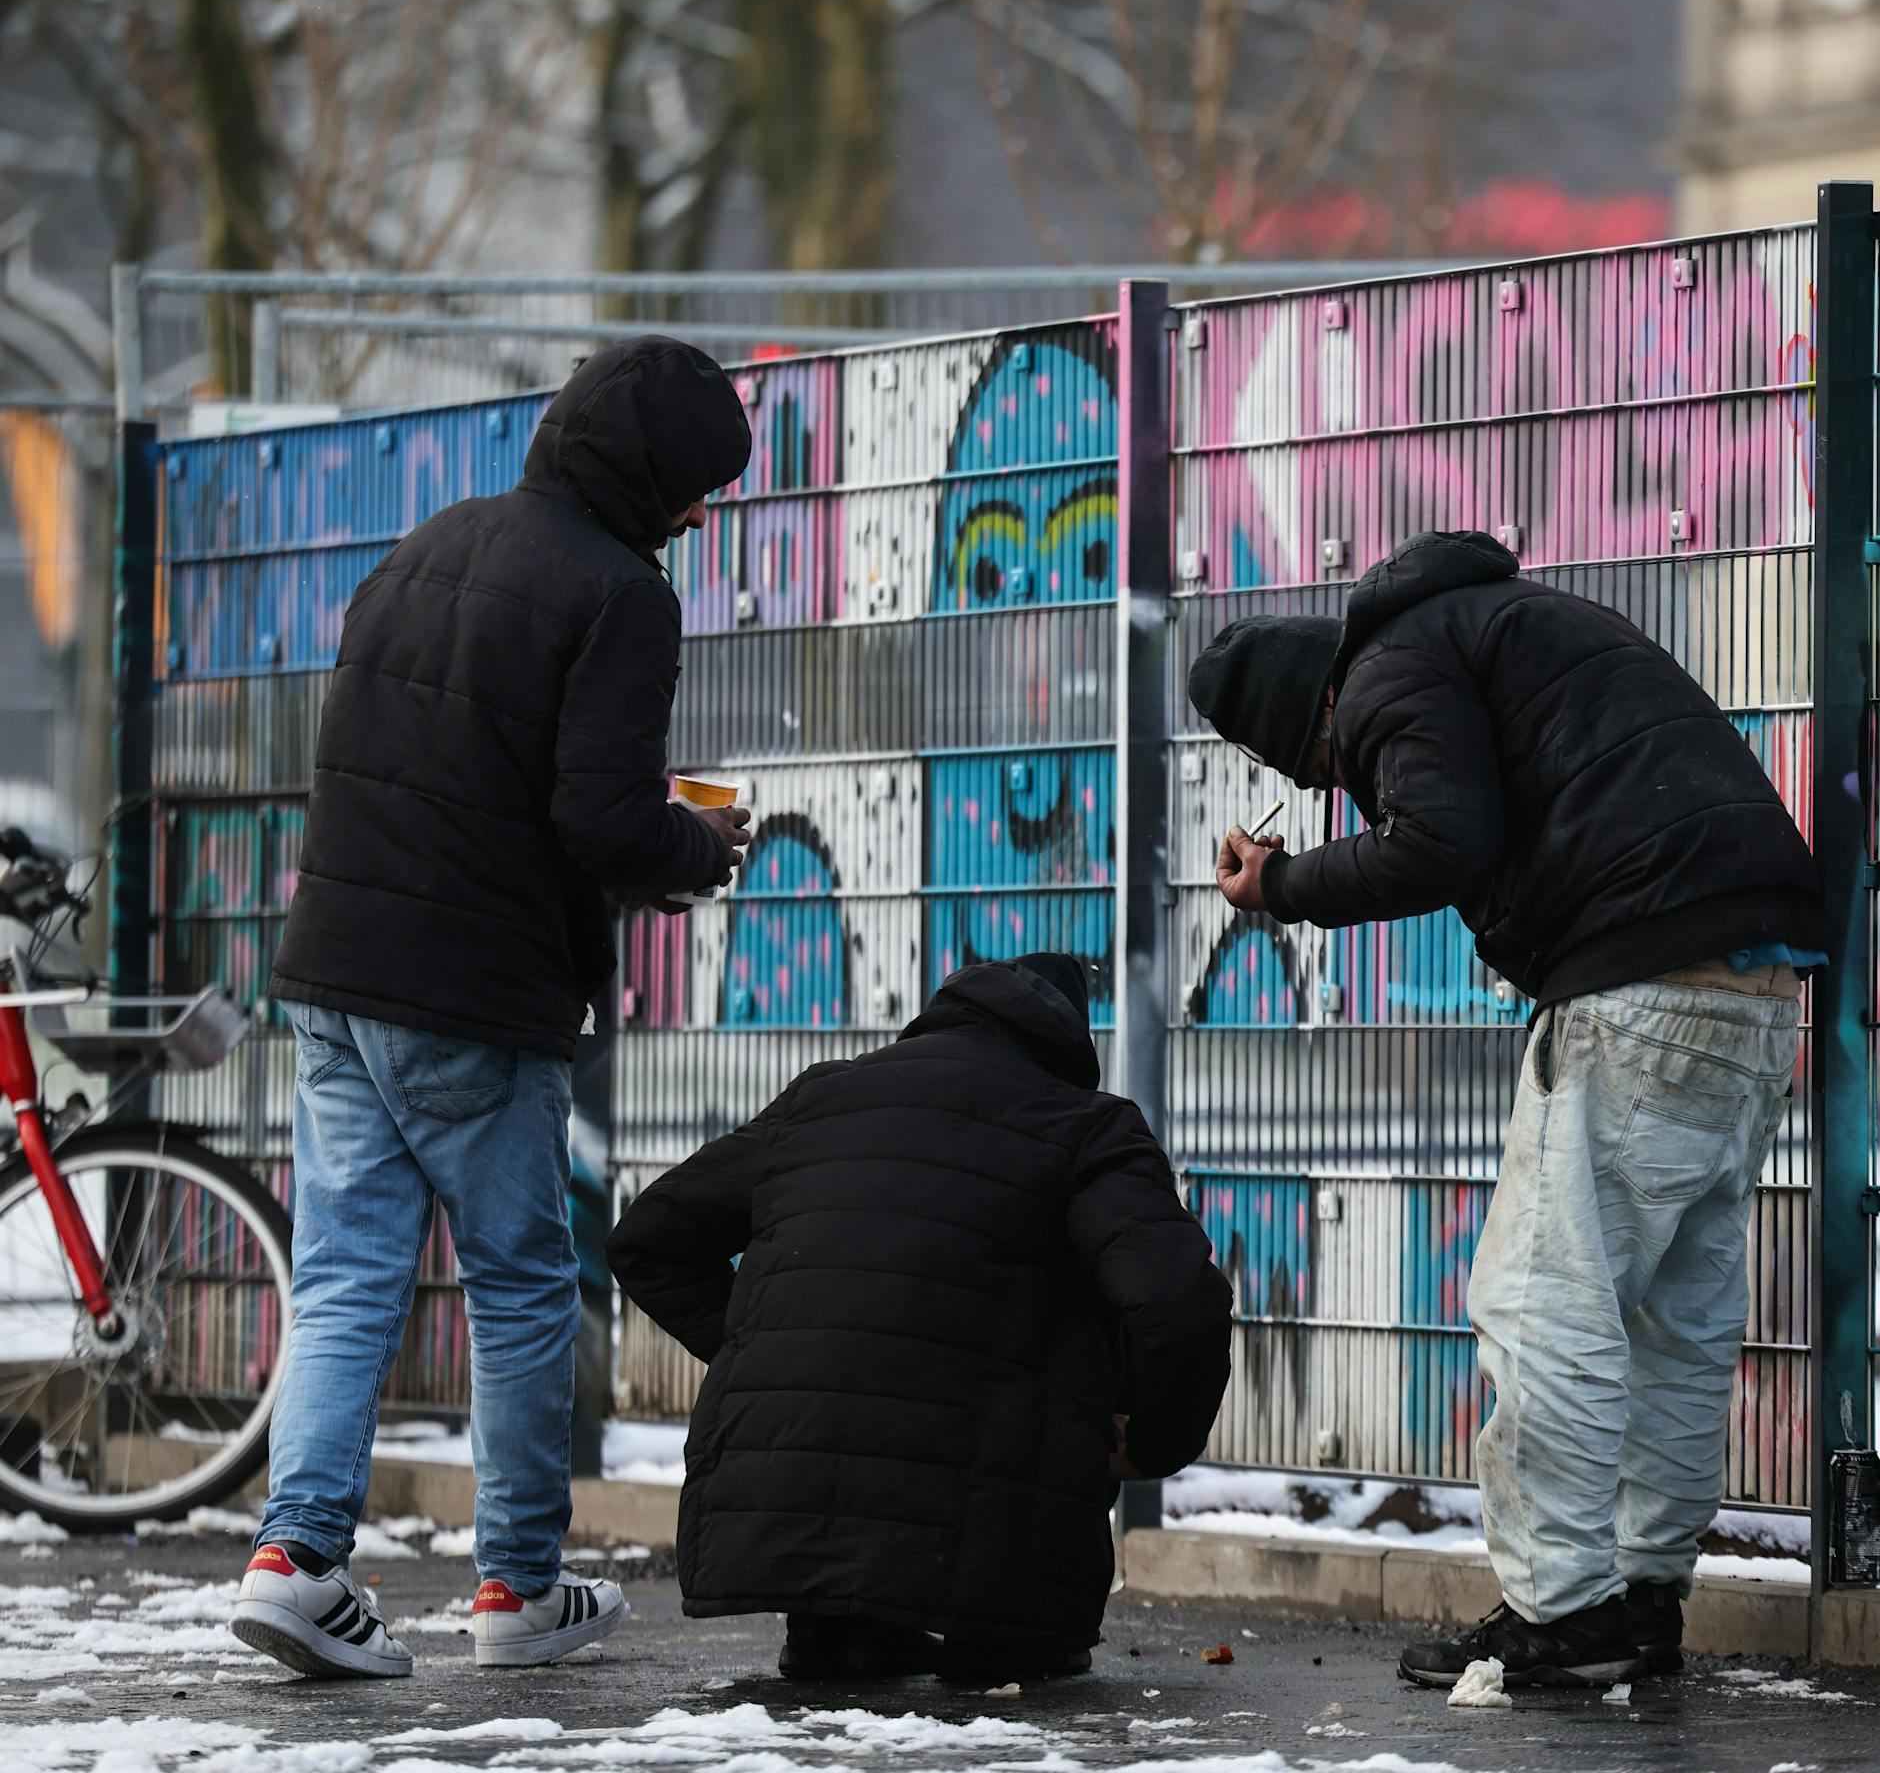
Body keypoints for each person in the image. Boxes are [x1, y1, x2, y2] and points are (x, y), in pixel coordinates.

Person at [1188, 529, 1824, 1691]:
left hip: (1640, 972)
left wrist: (1280, 884)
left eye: (1327, 767)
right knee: (1673, 1314)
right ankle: (1640, 1596)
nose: (1343, 784)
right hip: (1756, 973)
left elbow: (1438, 840)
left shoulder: (1386, 669)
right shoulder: (1502, 623)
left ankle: (1564, 1610)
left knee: (1543, 1300)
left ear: (1304, 719)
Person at [231, 339, 754, 1680]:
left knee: (347, 1276)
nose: (701, 517)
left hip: (339, 972)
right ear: (651, 479)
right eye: (698, 489)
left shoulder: (427, 545)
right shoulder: (619, 597)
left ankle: (296, 1559)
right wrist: (707, 850)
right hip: (476, 994)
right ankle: (519, 1587)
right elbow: (602, 815)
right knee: (520, 1290)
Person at [607, 953, 1233, 1683]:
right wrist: (1154, 1444)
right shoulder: (1084, 1126)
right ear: (1069, 1043)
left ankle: (836, 1627)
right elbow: (1178, 1300)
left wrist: (772, 1353)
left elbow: (647, 1238)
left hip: (779, 1521)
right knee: (1065, 1306)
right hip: (1005, 1527)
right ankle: (1006, 1629)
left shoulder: (822, 1098)